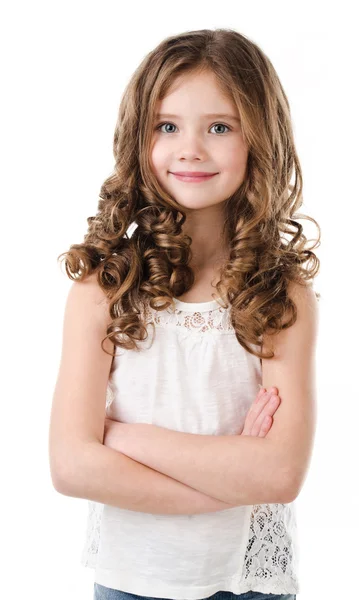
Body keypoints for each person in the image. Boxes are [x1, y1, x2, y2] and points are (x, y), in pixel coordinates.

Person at [49, 28, 321, 600]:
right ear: (138, 139)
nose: (191, 148)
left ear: (258, 140)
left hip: (249, 582)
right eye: (167, 127)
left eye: (219, 128)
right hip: (129, 582)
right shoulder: (105, 288)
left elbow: (278, 476)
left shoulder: (279, 293)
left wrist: (123, 437)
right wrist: (229, 481)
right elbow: (72, 466)